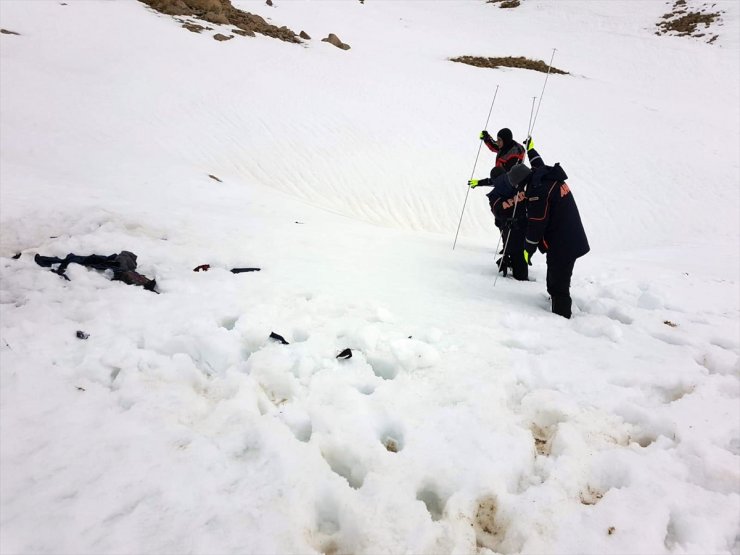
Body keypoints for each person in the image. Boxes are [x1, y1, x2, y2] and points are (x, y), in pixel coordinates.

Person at [505, 138, 590, 318]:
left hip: (564, 242)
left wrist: (528, 249)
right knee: (554, 272)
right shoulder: (543, 175)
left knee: (559, 281)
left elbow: (537, 223)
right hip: (569, 236)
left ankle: (561, 318)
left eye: (519, 188)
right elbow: (537, 163)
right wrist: (532, 150)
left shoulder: (537, 192)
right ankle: (555, 302)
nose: (520, 192)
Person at [467, 128, 529, 280]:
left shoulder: (513, 157)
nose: (498, 142)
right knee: (501, 221)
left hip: (512, 192)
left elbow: (503, 179)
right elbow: (496, 146)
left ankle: (514, 257)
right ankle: (508, 248)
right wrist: (487, 139)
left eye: (500, 140)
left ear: (506, 141)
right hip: (505, 189)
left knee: (506, 221)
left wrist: (480, 183)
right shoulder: (506, 147)